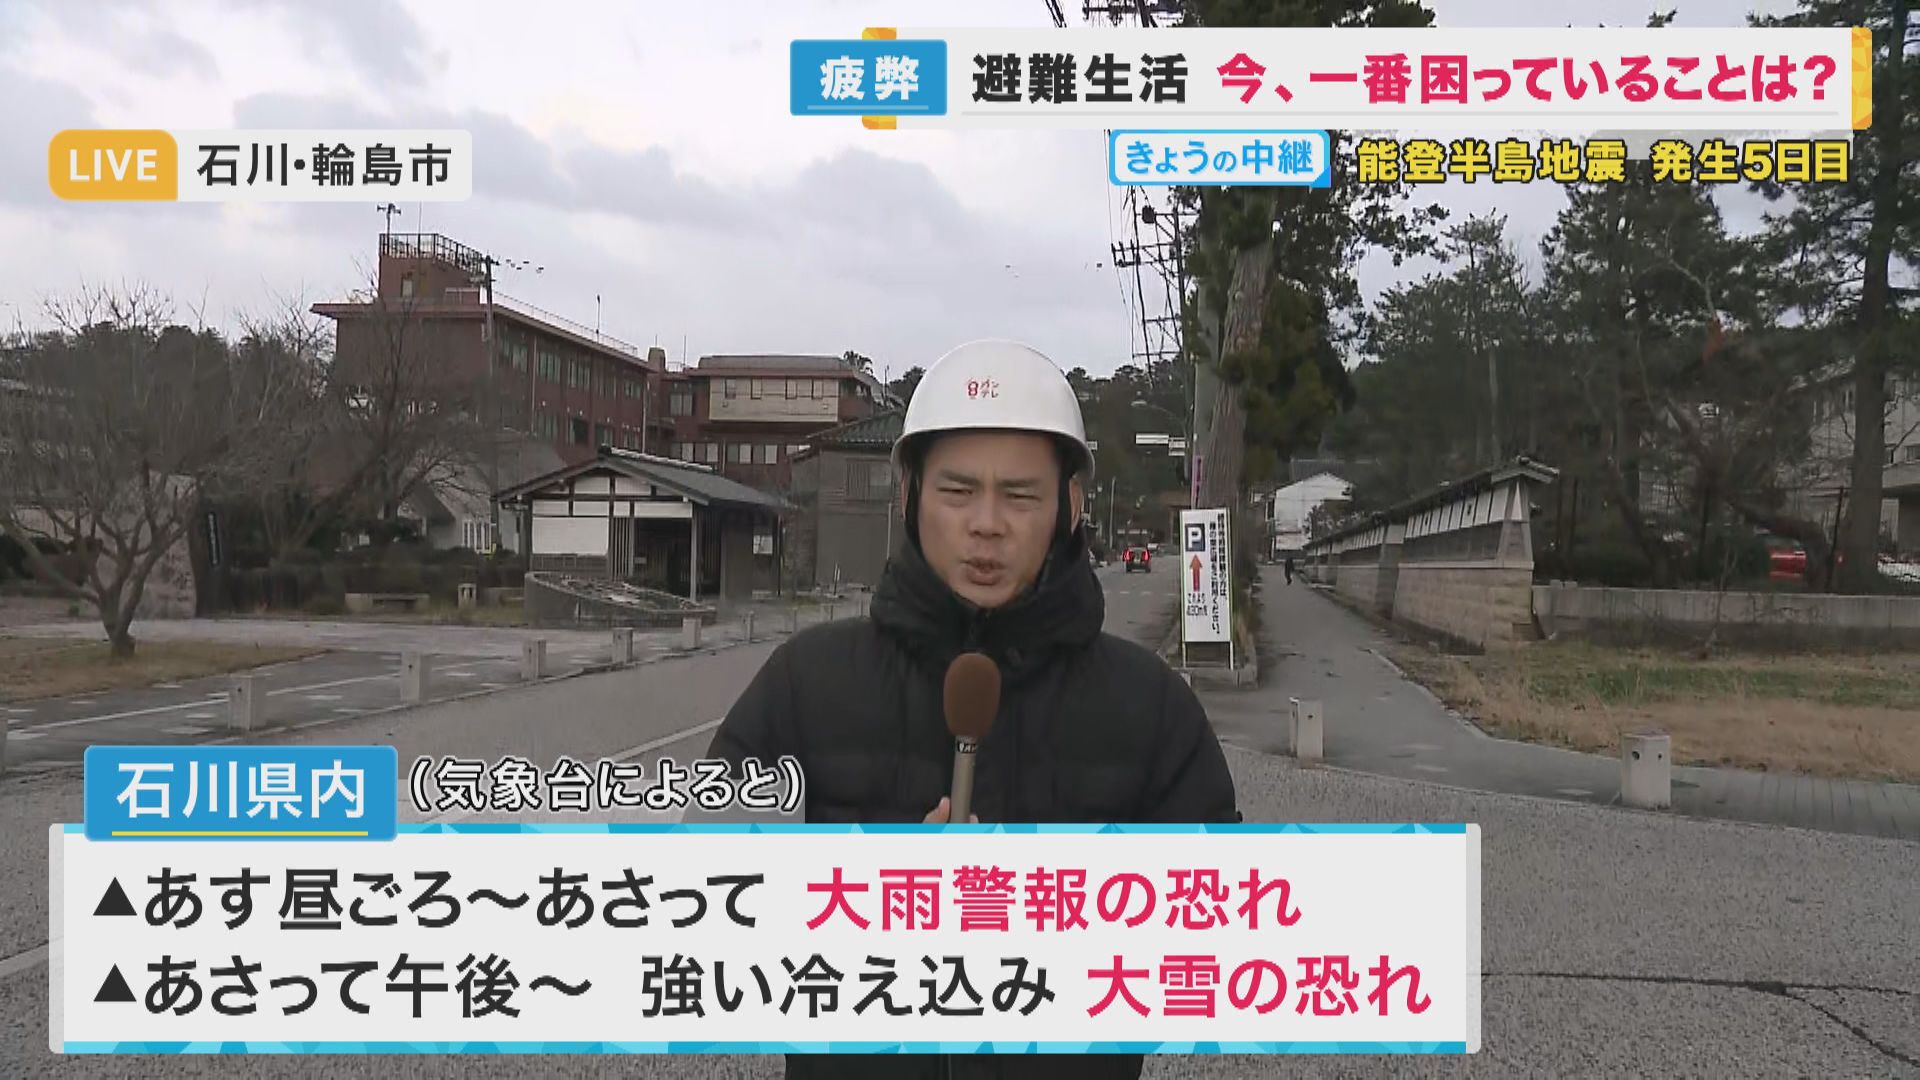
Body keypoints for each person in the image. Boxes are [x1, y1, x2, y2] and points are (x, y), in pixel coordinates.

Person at [707, 339, 1239, 1080]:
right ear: (910, 495)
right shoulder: (805, 680)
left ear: (1070, 507)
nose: (987, 524)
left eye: (1020, 496)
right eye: (957, 492)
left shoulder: (1151, 706)